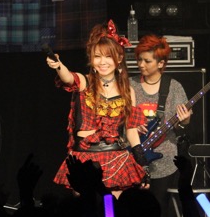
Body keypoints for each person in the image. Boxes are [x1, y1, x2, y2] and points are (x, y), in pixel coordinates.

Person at [46, 20, 147, 196]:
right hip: (84, 158)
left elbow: (131, 131)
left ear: (119, 59)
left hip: (116, 159)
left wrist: (143, 164)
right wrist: (58, 66)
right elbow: (68, 78)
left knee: (111, 211)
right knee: (87, 210)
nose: (103, 62)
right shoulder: (84, 82)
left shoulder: (127, 91)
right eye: (97, 56)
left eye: (108, 56)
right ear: (91, 59)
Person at [130, 34, 192, 217]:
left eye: (147, 61)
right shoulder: (130, 85)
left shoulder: (173, 87)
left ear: (161, 63)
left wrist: (184, 121)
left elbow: (183, 124)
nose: (141, 64)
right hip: (134, 159)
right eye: (139, 59)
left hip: (165, 160)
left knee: (159, 209)